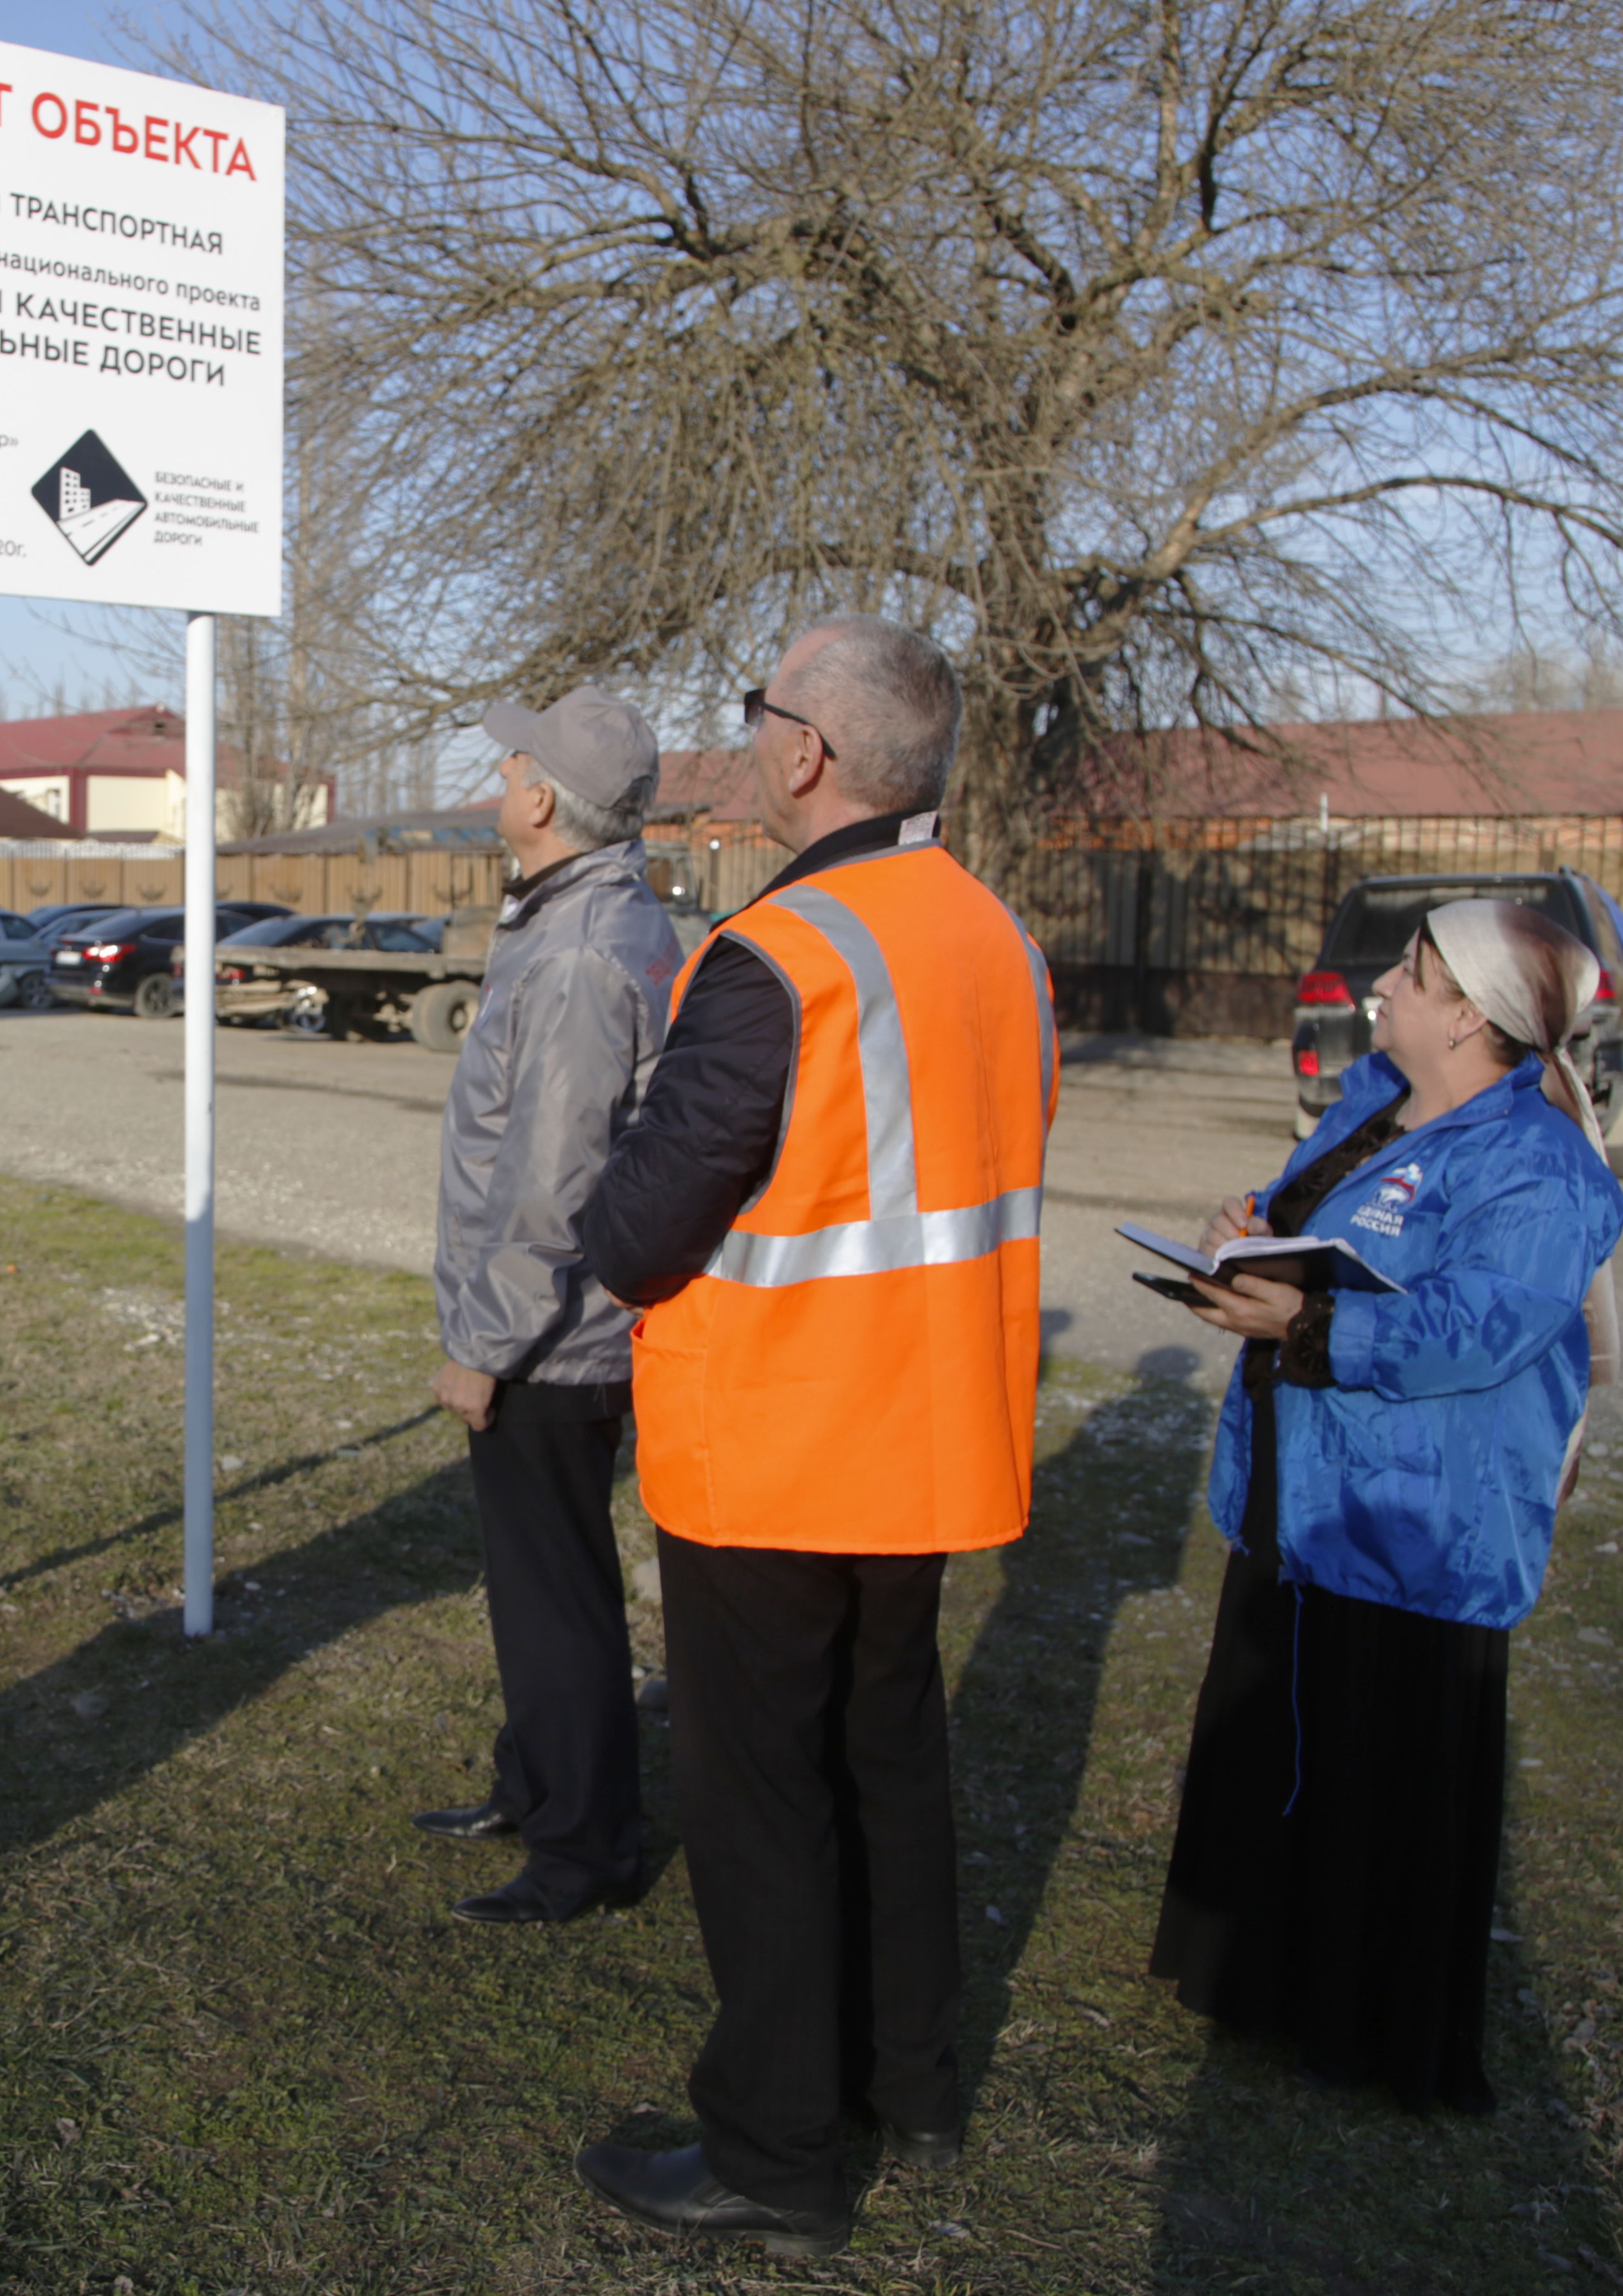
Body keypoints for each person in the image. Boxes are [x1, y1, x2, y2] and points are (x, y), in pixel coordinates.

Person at [569, 615, 1059, 2259]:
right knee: (891, 1759)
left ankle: (777, 2151)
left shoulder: (781, 954)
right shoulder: (999, 939)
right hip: (925, 1441)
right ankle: (906, 2079)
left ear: (811, 754)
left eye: (763, 708)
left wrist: (594, 1183)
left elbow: (643, 1229)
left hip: (774, 1449)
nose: (756, 733)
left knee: (763, 1796)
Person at [1148, 897, 1622, 2113]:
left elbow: (1483, 1326)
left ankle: (1367, 2024)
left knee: (1381, 1766)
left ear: (1469, 1013)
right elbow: (1302, 1215)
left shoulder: (1540, 1165)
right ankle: (1261, 1982)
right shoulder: (1373, 1100)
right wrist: (1239, 1236)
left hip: (1420, 1523)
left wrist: (1307, 1324)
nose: (1382, 993)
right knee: (1281, 1742)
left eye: (1409, 976)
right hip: (1305, 1493)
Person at [418, 685, 685, 1925]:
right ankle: (538, 1789)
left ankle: (587, 1852)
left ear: (542, 800)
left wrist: (484, 1346)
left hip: (551, 1339)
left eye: (508, 764)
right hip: (546, 1325)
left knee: (561, 1598)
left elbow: (551, 1179)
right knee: (534, 1589)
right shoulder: (575, 917)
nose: (494, 785)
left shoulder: (582, 954)